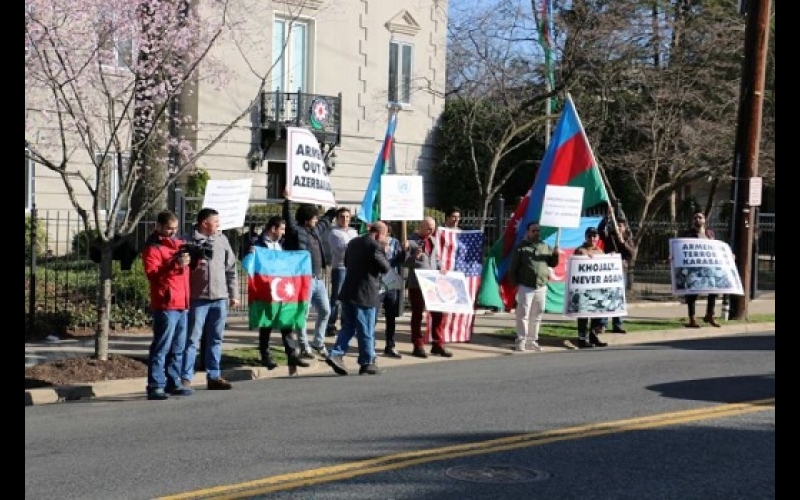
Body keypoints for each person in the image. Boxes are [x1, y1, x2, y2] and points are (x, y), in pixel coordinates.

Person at [180, 207, 240, 390]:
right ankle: (185, 377)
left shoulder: (222, 240)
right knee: (191, 339)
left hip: (219, 298)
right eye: (216, 221)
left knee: (216, 338)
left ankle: (214, 375)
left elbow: (231, 269)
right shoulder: (187, 241)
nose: (219, 225)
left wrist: (234, 294)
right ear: (204, 223)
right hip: (197, 299)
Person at [325, 221, 392, 376]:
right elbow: (385, 268)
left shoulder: (353, 242)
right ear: (379, 234)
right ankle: (367, 361)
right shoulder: (375, 246)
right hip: (365, 293)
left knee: (349, 326)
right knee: (366, 328)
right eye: (386, 234)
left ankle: (336, 353)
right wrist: (384, 250)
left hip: (349, 290)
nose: (386, 238)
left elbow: (347, 263)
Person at [141, 210, 194, 400]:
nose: (173, 232)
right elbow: (153, 274)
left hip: (181, 302)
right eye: (169, 229)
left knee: (178, 346)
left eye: (175, 229)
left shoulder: (178, 244)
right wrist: (175, 264)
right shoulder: (153, 248)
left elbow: (187, 266)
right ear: (159, 226)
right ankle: (155, 384)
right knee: (162, 346)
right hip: (166, 302)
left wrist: (193, 258)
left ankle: (174, 381)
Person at [250, 215, 310, 373]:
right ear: (273, 229)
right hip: (266, 289)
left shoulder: (281, 243)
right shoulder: (257, 244)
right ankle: (266, 355)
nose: (283, 233)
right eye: (281, 229)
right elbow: (251, 264)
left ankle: (292, 354)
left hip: (281, 287)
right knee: (267, 322)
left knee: (286, 320)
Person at [282, 192, 331, 359]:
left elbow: (325, 222)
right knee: (303, 314)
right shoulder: (297, 232)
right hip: (304, 279)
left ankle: (318, 341)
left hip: (318, 279)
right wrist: (287, 201)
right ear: (306, 219)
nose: (316, 220)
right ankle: (304, 346)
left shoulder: (315, 231)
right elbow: (288, 220)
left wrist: (332, 207)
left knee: (325, 311)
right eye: (314, 218)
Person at [405, 217, 453, 358]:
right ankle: (418, 345)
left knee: (439, 314)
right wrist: (414, 256)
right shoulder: (411, 242)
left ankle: (438, 344)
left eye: (433, 228)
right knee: (417, 315)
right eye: (429, 228)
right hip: (417, 285)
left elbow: (436, 259)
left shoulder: (433, 241)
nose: (431, 230)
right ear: (421, 226)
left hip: (433, 285)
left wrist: (441, 266)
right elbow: (404, 262)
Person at [507, 222, 560, 352]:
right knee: (523, 314)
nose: (536, 233)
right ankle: (521, 340)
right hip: (526, 286)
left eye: (538, 231)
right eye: (533, 231)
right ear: (528, 232)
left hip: (541, 285)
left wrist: (556, 254)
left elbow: (552, 264)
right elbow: (513, 268)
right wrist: (515, 285)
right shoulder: (521, 248)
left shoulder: (545, 246)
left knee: (537, 314)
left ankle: (532, 340)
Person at [679, 210, 721, 328]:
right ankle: (692, 318)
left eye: (700, 217)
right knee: (692, 293)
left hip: (707, 268)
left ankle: (709, 315)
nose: (697, 219)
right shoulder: (688, 234)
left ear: (704, 220)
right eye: (695, 218)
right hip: (694, 269)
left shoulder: (710, 234)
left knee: (713, 290)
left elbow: (715, 249)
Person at [597, 209, 636, 334]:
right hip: (609, 272)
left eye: (620, 226)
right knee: (606, 297)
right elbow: (600, 231)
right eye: (616, 225)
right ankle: (602, 324)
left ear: (624, 228)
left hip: (620, 272)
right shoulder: (610, 237)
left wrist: (622, 242)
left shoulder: (628, 239)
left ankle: (617, 324)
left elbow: (631, 253)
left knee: (618, 298)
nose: (618, 228)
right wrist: (606, 217)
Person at [573, 227, 608, 349]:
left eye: (595, 236)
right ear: (585, 237)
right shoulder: (580, 250)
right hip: (583, 289)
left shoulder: (600, 251)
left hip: (596, 289)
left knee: (595, 313)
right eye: (590, 236)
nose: (592, 238)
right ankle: (582, 338)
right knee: (583, 314)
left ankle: (593, 336)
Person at [326, 207, 358, 337]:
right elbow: (340, 250)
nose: (345, 219)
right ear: (337, 218)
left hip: (353, 268)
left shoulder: (353, 232)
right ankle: (331, 324)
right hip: (340, 268)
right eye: (342, 217)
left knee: (349, 298)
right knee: (336, 298)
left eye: (347, 217)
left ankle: (346, 323)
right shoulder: (334, 233)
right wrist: (354, 246)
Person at [376, 222, 406, 358]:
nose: (384, 233)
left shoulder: (395, 242)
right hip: (377, 283)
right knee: (374, 315)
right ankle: (370, 345)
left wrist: (404, 251)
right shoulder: (373, 242)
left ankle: (390, 345)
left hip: (391, 282)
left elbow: (400, 260)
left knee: (391, 315)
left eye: (386, 231)